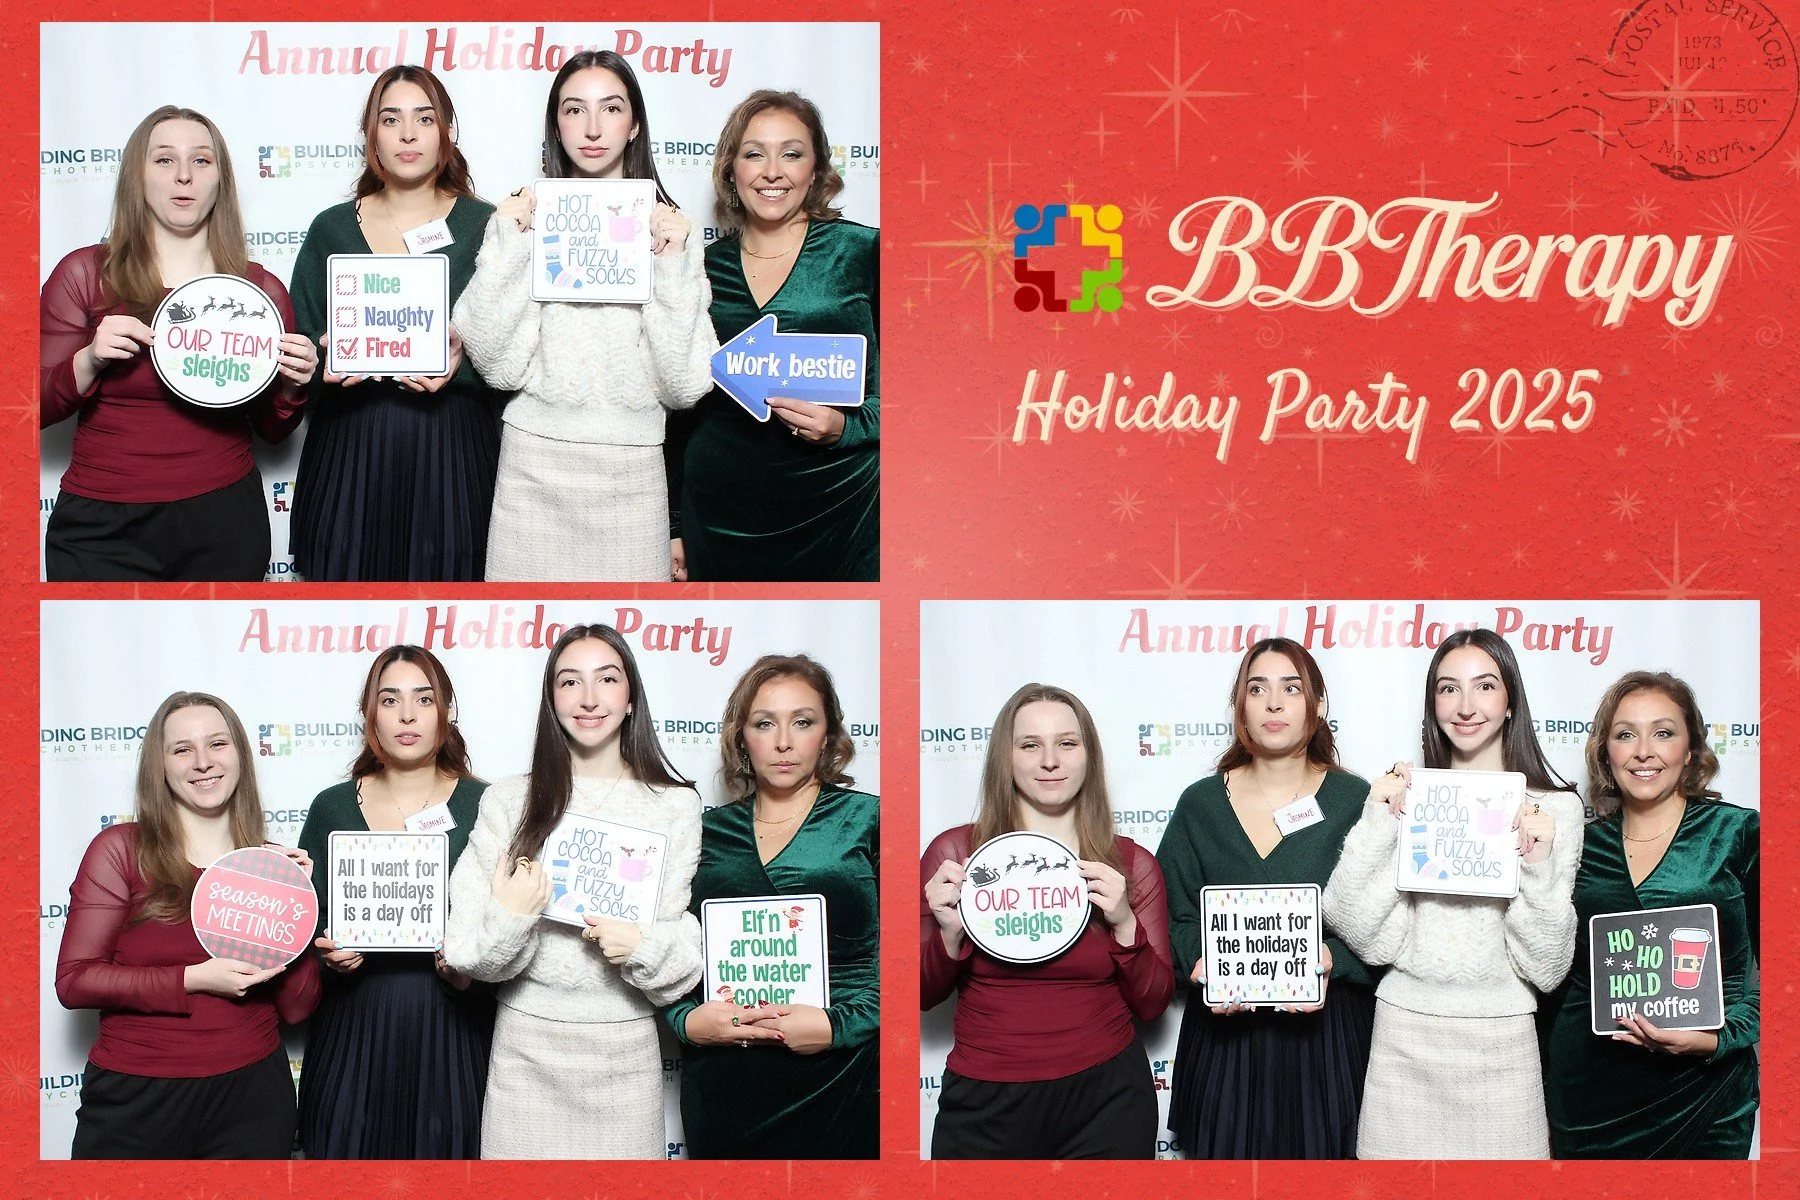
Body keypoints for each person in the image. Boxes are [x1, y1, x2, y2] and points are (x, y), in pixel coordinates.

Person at [454, 50, 715, 582]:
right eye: (574, 110)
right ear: (555, 123)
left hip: (633, 475)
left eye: (611, 108)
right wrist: (508, 244)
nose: (593, 127)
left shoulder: (673, 233)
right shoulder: (523, 220)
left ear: (635, 122)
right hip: (533, 470)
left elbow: (685, 385)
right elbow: (498, 364)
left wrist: (668, 268)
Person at [443, 625, 701, 1158]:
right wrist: (511, 917)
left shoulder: (675, 805)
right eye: (569, 682)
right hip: (525, 1051)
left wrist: (643, 947)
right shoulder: (508, 801)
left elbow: (683, 959)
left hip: (625, 1053)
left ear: (631, 698)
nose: (589, 698)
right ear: (551, 700)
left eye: (607, 679)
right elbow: (466, 949)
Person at [1323, 628, 1582, 1158]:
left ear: (1511, 701)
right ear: (1431, 704)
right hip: (1404, 1037)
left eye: (1485, 686)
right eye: (1448, 688)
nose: (1465, 706)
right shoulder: (1409, 795)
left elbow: (1548, 966)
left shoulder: (1555, 810)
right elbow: (1370, 935)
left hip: (1504, 1042)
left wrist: (1536, 866)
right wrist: (1378, 821)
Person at [39, 105, 318, 581]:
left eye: (202, 161)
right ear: (137, 176)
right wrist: (88, 359)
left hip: (224, 520)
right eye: (165, 160)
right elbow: (30, 407)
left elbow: (271, 430)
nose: (184, 176)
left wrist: (294, 387)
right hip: (99, 525)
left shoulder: (259, 292)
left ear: (220, 180)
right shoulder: (85, 274)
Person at [54, 693, 320, 1158]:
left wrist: (299, 902)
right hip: (136, 1099)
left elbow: (297, 1009)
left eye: (217, 744)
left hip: (253, 1097)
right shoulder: (121, 850)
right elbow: (74, 982)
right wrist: (193, 979)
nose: (202, 762)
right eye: (182, 749)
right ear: (160, 767)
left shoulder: (268, 866)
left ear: (240, 754)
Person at [920, 684, 1174, 1159]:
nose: (1049, 760)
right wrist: (949, 935)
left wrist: (1123, 923)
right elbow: (920, 993)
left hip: (1108, 1099)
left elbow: (1155, 1003)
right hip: (984, 1101)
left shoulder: (1130, 863)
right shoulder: (956, 855)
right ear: (1006, 758)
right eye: (1030, 745)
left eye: (1067, 743)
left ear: (1088, 756)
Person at [1156, 638, 1375, 1158]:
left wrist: (1334, 960)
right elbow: (1172, 911)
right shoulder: (1201, 804)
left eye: (1291, 688)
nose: (1274, 703)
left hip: (1328, 1039)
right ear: (1241, 707)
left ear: (1317, 706)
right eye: (1258, 689)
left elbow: (1391, 921)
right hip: (1225, 1040)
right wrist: (1200, 964)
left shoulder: (1356, 801)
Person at [288, 65, 501, 581]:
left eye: (424, 119)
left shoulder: (486, 226)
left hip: (453, 449)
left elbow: (516, 355)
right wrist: (319, 370)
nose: (408, 134)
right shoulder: (331, 229)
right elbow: (296, 353)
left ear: (446, 132)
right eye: (391, 119)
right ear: (372, 136)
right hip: (349, 447)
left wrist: (464, 365)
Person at [664, 655, 879, 1158]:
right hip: (726, 1088)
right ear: (742, 737)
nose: (784, 742)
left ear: (827, 735)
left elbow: (906, 959)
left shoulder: (869, 820)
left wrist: (837, 1026)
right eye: (765, 724)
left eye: (802, 722)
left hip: (841, 1078)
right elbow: (667, 952)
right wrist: (686, 1022)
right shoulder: (702, 831)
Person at [667, 90, 878, 581]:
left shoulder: (865, 252)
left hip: (839, 509)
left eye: (791, 153)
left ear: (817, 167)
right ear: (731, 167)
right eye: (754, 153)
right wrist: (676, 523)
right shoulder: (701, 267)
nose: (772, 171)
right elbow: (681, 411)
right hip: (720, 516)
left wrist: (845, 428)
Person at [1546, 672, 1758, 1158]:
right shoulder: (1579, 841)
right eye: (1625, 735)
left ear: (1691, 749)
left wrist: (1718, 1040)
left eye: (1663, 732)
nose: (1644, 750)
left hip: (1705, 1092)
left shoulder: (1740, 832)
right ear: (1606, 754)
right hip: (1590, 1090)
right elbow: (1553, 965)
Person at [295, 645, 495, 1158]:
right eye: (390, 699)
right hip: (351, 1025)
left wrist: (468, 972)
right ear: (370, 715)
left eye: (423, 699)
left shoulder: (487, 805)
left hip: (451, 1027)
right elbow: (306, 928)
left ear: (445, 713)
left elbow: (509, 930)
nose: (407, 714)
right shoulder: (331, 807)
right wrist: (327, 955)